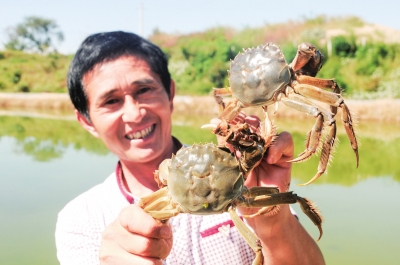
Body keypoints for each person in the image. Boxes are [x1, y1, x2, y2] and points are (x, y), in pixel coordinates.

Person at [55, 31, 325, 265]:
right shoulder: (82, 220)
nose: (134, 114)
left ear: (170, 93)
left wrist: (273, 222)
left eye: (144, 90)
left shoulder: (239, 171)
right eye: (111, 101)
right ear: (86, 121)